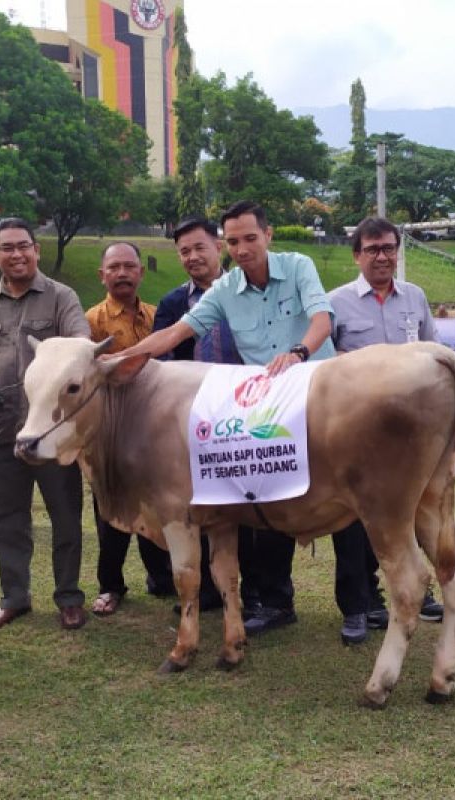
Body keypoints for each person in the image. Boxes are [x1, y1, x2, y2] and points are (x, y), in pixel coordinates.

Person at [115, 200, 335, 635]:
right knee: (268, 500)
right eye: (234, 241)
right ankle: (274, 602)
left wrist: (298, 353)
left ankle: (363, 604)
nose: (242, 248)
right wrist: (118, 360)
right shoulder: (224, 289)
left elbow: (322, 320)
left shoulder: (298, 266)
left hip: (321, 395)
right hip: (270, 411)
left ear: (268, 236)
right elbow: (177, 333)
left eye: (250, 238)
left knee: (352, 503)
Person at [0, 218, 90, 632]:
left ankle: (68, 597)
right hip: (2, 428)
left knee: (65, 518)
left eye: (24, 246)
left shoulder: (61, 297)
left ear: (37, 250)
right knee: (9, 519)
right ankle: (14, 598)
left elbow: (81, 349)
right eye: (7, 248)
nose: (17, 254)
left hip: (51, 431)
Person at [327, 216, 446, 645]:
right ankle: (358, 606)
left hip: (411, 434)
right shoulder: (335, 303)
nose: (383, 256)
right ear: (357, 255)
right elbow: (326, 363)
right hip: (356, 435)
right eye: (373, 249)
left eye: (389, 248)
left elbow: (434, 355)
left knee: (415, 513)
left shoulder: (415, 298)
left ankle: (419, 591)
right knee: (352, 520)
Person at [155, 216, 244, 615]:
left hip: (250, 417)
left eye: (199, 247)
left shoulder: (247, 291)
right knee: (203, 507)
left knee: (259, 506)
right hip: (196, 427)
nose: (192, 257)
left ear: (219, 246)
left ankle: (268, 596)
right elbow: (161, 363)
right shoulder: (174, 304)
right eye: (184, 252)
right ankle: (207, 593)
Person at [86, 241, 176, 616]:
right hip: (109, 435)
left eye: (129, 267)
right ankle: (111, 585)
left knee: (155, 504)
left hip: (154, 432)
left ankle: (161, 578)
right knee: (111, 511)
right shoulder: (91, 322)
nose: (122, 273)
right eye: (114, 267)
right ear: (102, 275)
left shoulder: (159, 317)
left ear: (141, 272)